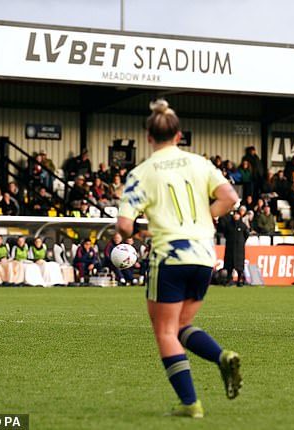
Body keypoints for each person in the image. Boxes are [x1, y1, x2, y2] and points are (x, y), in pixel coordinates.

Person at [115, 99, 242, 418]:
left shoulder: (141, 172)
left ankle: (191, 404)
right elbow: (230, 198)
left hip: (169, 256)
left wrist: (134, 234)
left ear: (148, 137)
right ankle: (222, 357)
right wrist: (205, 218)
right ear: (178, 135)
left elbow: (124, 225)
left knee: (165, 331)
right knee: (182, 323)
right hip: (203, 254)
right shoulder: (199, 163)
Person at [218, 208, 250, 286]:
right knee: (229, 265)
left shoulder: (242, 225)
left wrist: (241, 242)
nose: (236, 216)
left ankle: (239, 280)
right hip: (230, 248)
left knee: (239, 266)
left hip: (239, 249)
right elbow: (225, 233)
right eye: (235, 214)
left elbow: (246, 234)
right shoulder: (229, 225)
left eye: (237, 214)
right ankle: (229, 280)